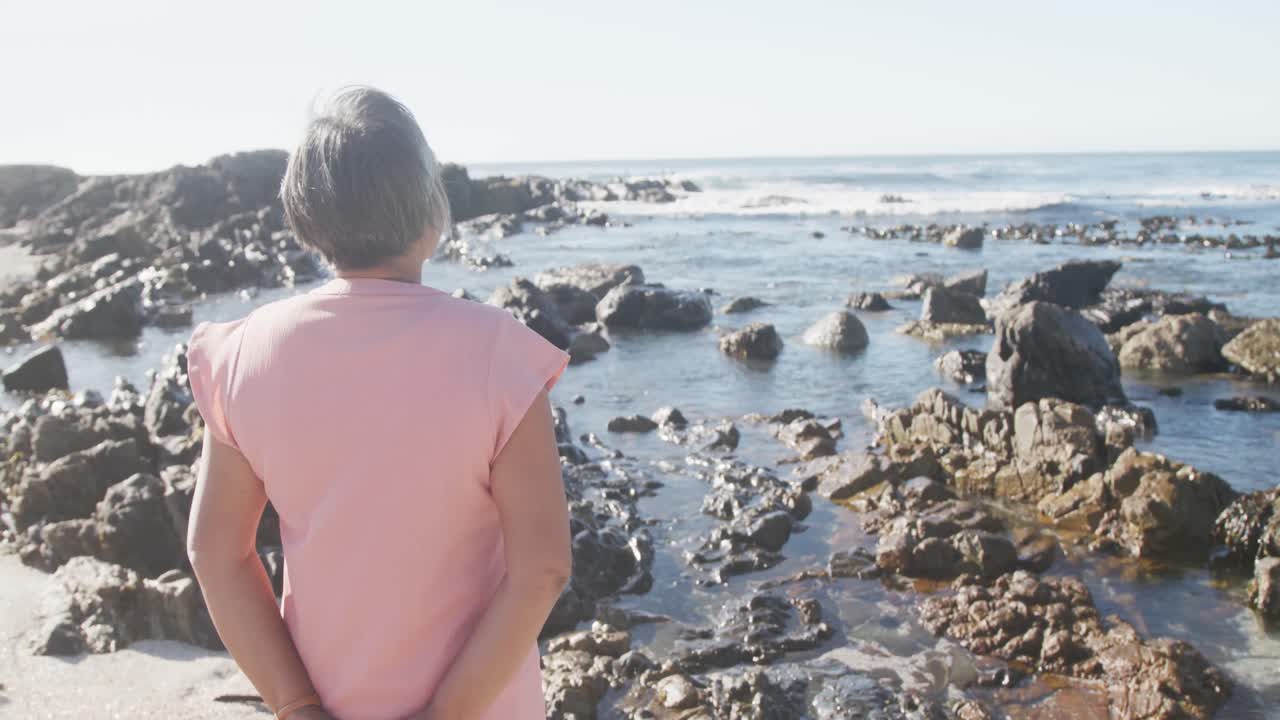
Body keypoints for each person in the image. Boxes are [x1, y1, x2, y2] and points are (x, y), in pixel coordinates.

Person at [185, 86, 571, 720]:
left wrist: (295, 703)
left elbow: (217, 552)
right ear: (432, 211)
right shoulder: (500, 354)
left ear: (305, 218)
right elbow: (544, 567)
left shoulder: (243, 355)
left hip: (334, 702)